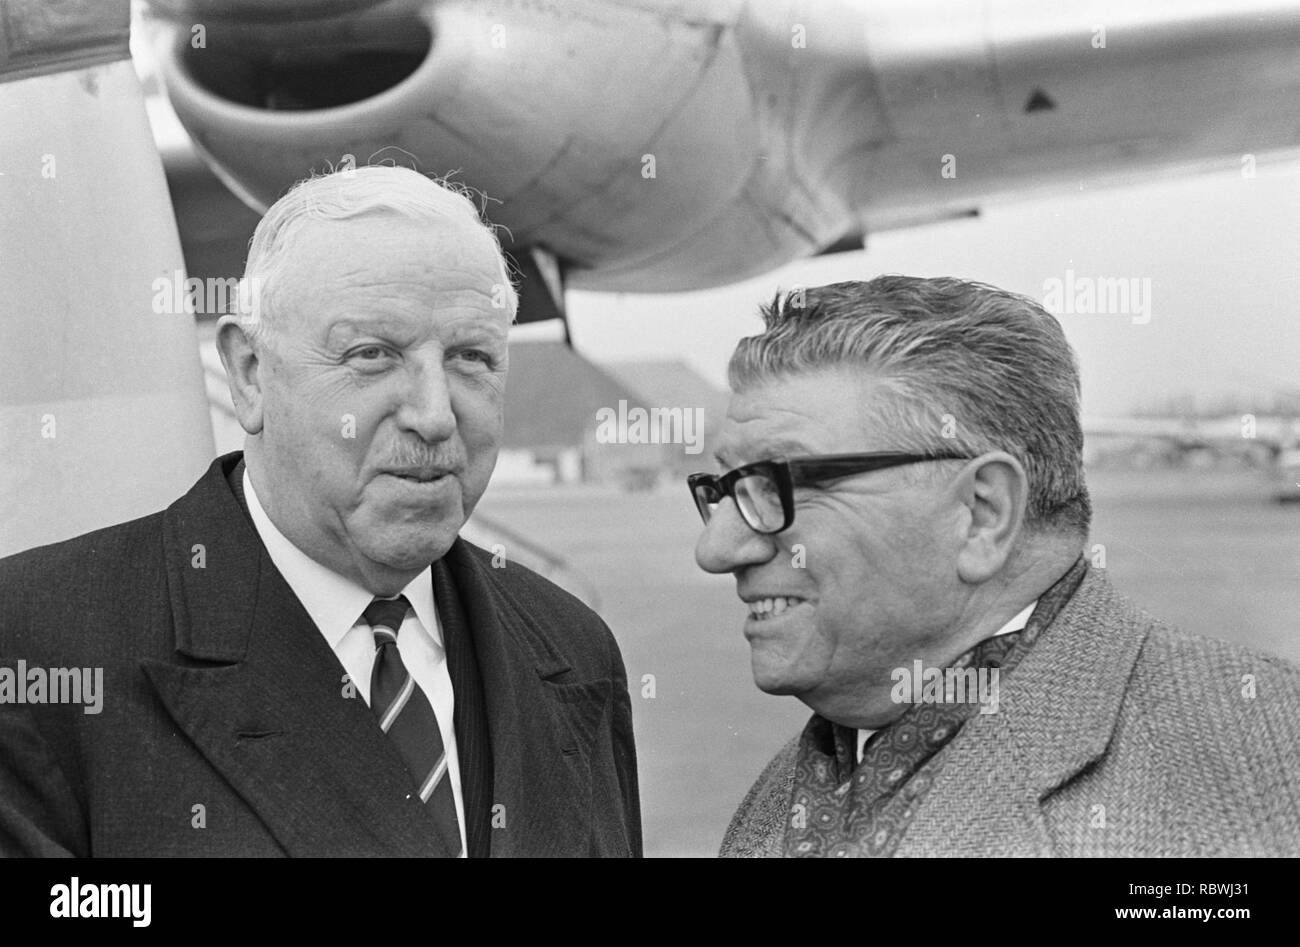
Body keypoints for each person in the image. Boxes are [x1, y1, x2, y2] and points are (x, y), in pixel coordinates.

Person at [0, 166, 641, 857]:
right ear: (249, 373)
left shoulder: (575, 650)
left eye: (471, 357)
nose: (433, 414)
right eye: (372, 355)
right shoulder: (39, 647)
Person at [689, 275, 1300, 857]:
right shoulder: (778, 797)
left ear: (982, 514)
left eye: (775, 485)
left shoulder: (1264, 762)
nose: (716, 550)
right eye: (724, 490)